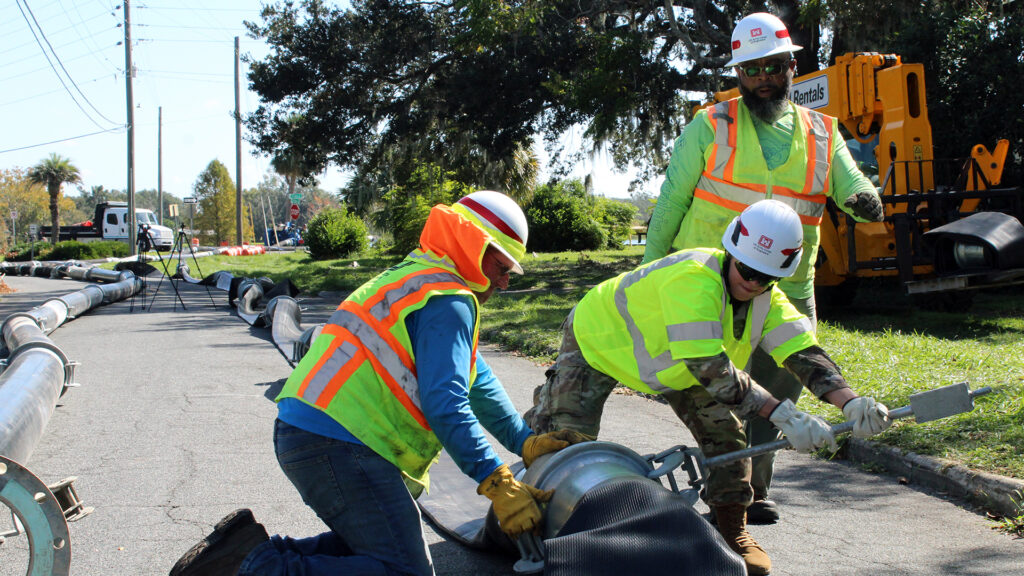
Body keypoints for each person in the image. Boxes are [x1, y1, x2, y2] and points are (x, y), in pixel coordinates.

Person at [170, 190, 588, 576]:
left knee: (378, 543)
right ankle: (254, 569)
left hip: (316, 434)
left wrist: (523, 441)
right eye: (500, 267)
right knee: (402, 571)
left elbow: (476, 378)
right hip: (338, 443)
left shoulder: (418, 278)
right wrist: (497, 482)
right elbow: (448, 405)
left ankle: (240, 555)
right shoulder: (449, 301)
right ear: (474, 247)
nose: (503, 282)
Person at [525, 200, 892, 576]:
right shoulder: (693, 278)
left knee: (729, 436)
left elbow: (804, 354)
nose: (752, 283)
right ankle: (533, 523)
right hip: (599, 342)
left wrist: (850, 403)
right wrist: (782, 414)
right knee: (565, 446)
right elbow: (712, 370)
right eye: (747, 270)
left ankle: (731, 528)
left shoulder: (768, 300)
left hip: (678, 367)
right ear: (732, 253)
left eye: (765, 278)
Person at [641, 11, 887, 524]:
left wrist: (864, 199)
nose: (763, 79)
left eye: (773, 66)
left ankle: (756, 489)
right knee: (723, 389)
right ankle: (728, 491)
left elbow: (850, 185)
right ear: (738, 74)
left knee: (782, 388)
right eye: (751, 70)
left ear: (792, 64)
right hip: (711, 282)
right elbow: (669, 205)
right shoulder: (711, 125)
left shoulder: (823, 132)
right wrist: (648, 275)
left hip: (788, 284)